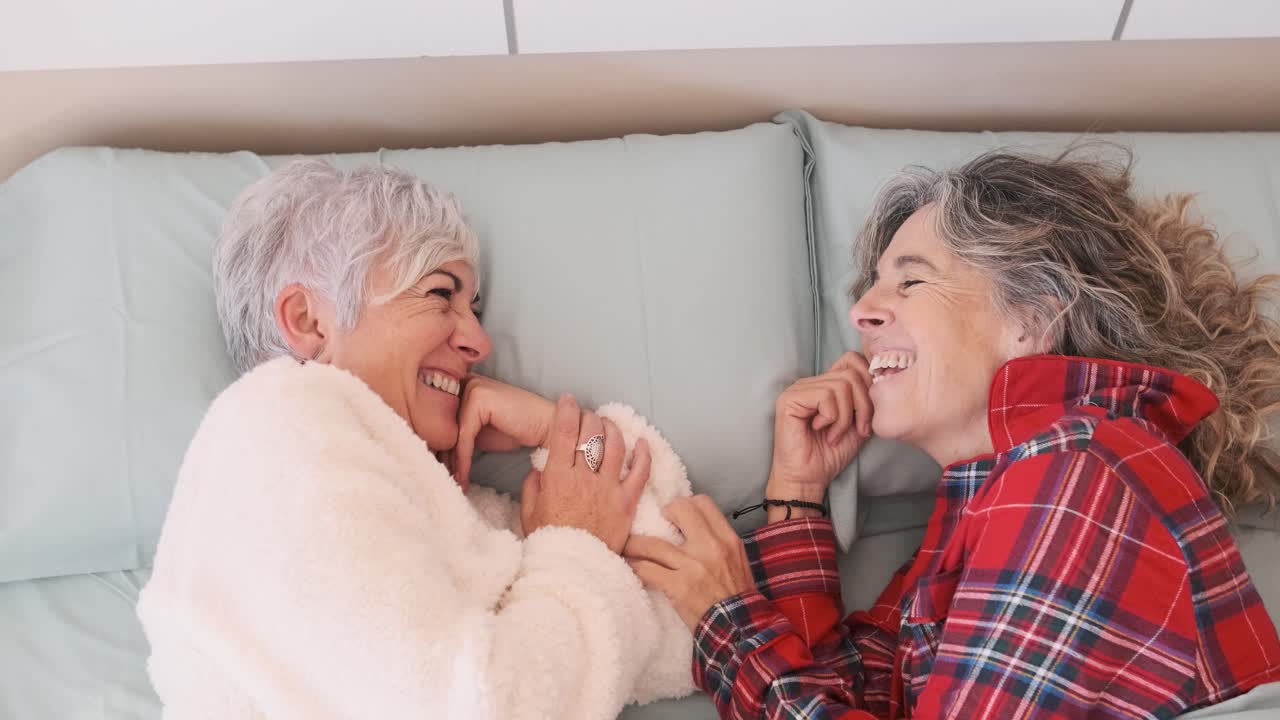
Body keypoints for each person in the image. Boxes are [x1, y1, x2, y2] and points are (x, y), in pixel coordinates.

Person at [626, 146, 1280, 719]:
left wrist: (729, 624)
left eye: (910, 281)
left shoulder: (1074, 473)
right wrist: (797, 494)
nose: (860, 312)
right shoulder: (998, 497)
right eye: (874, 287)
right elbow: (850, 701)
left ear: (1029, 321)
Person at [137, 159, 695, 720]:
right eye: (439, 295)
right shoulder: (274, 427)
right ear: (309, 321)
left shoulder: (448, 506)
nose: (479, 341)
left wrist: (562, 436)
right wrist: (577, 542)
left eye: (472, 308)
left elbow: (680, 615)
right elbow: (477, 706)